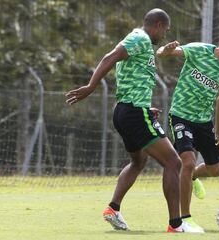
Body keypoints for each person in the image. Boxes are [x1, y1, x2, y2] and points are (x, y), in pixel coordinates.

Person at [66, 8, 199, 233]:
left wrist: (146, 107)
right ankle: (176, 224)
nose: (164, 35)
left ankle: (113, 209)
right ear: (157, 25)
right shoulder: (140, 38)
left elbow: (130, 77)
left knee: (139, 161)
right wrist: (91, 86)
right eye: (164, 30)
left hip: (128, 110)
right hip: (133, 113)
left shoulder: (142, 43)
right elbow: (110, 56)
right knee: (173, 163)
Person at [156, 30, 219, 232]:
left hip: (204, 122)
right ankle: (184, 219)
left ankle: (194, 177)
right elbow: (165, 53)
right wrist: (165, 49)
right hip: (181, 115)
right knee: (187, 161)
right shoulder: (199, 50)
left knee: (216, 170)